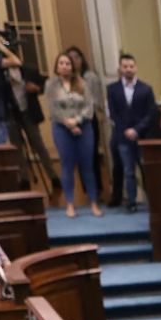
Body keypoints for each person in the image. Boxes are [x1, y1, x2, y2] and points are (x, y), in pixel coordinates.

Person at [47, 51, 102, 218]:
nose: (64, 66)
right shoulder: (51, 85)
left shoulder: (82, 83)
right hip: (62, 129)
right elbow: (53, 108)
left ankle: (93, 202)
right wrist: (69, 124)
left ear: (72, 66)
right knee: (67, 166)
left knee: (87, 166)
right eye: (61, 63)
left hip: (84, 128)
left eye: (67, 63)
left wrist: (77, 121)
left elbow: (89, 106)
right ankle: (70, 204)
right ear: (57, 66)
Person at [106, 52, 157, 213]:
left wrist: (136, 129)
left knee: (145, 169)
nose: (128, 69)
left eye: (131, 66)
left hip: (141, 136)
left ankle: (153, 202)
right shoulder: (112, 89)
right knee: (128, 170)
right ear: (120, 69)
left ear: (136, 68)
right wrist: (126, 130)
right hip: (122, 136)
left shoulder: (146, 89)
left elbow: (150, 113)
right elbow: (113, 113)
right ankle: (132, 202)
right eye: (125, 67)